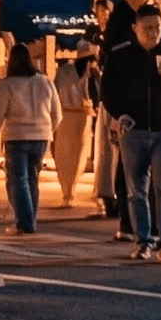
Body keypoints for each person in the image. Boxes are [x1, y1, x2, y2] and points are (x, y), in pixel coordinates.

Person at [103, 4, 161, 261]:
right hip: (132, 131)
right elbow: (108, 90)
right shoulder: (121, 54)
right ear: (135, 29)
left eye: (158, 27)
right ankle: (143, 241)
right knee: (136, 190)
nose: (154, 32)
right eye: (148, 28)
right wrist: (120, 114)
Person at [0, 41, 57, 233]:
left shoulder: (7, 84)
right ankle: (29, 220)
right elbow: (56, 114)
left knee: (18, 180)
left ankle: (24, 223)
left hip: (16, 137)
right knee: (32, 179)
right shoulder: (45, 82)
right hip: (41, 138)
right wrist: (46, 129)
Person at [51, 38, 93, 208]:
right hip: (81, 116)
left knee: (64, 155)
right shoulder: (90, 72)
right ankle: (69, 191)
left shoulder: (64, 70)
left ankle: (66, 191)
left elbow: (54, 93)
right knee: (77, 154)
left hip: (65, 116)